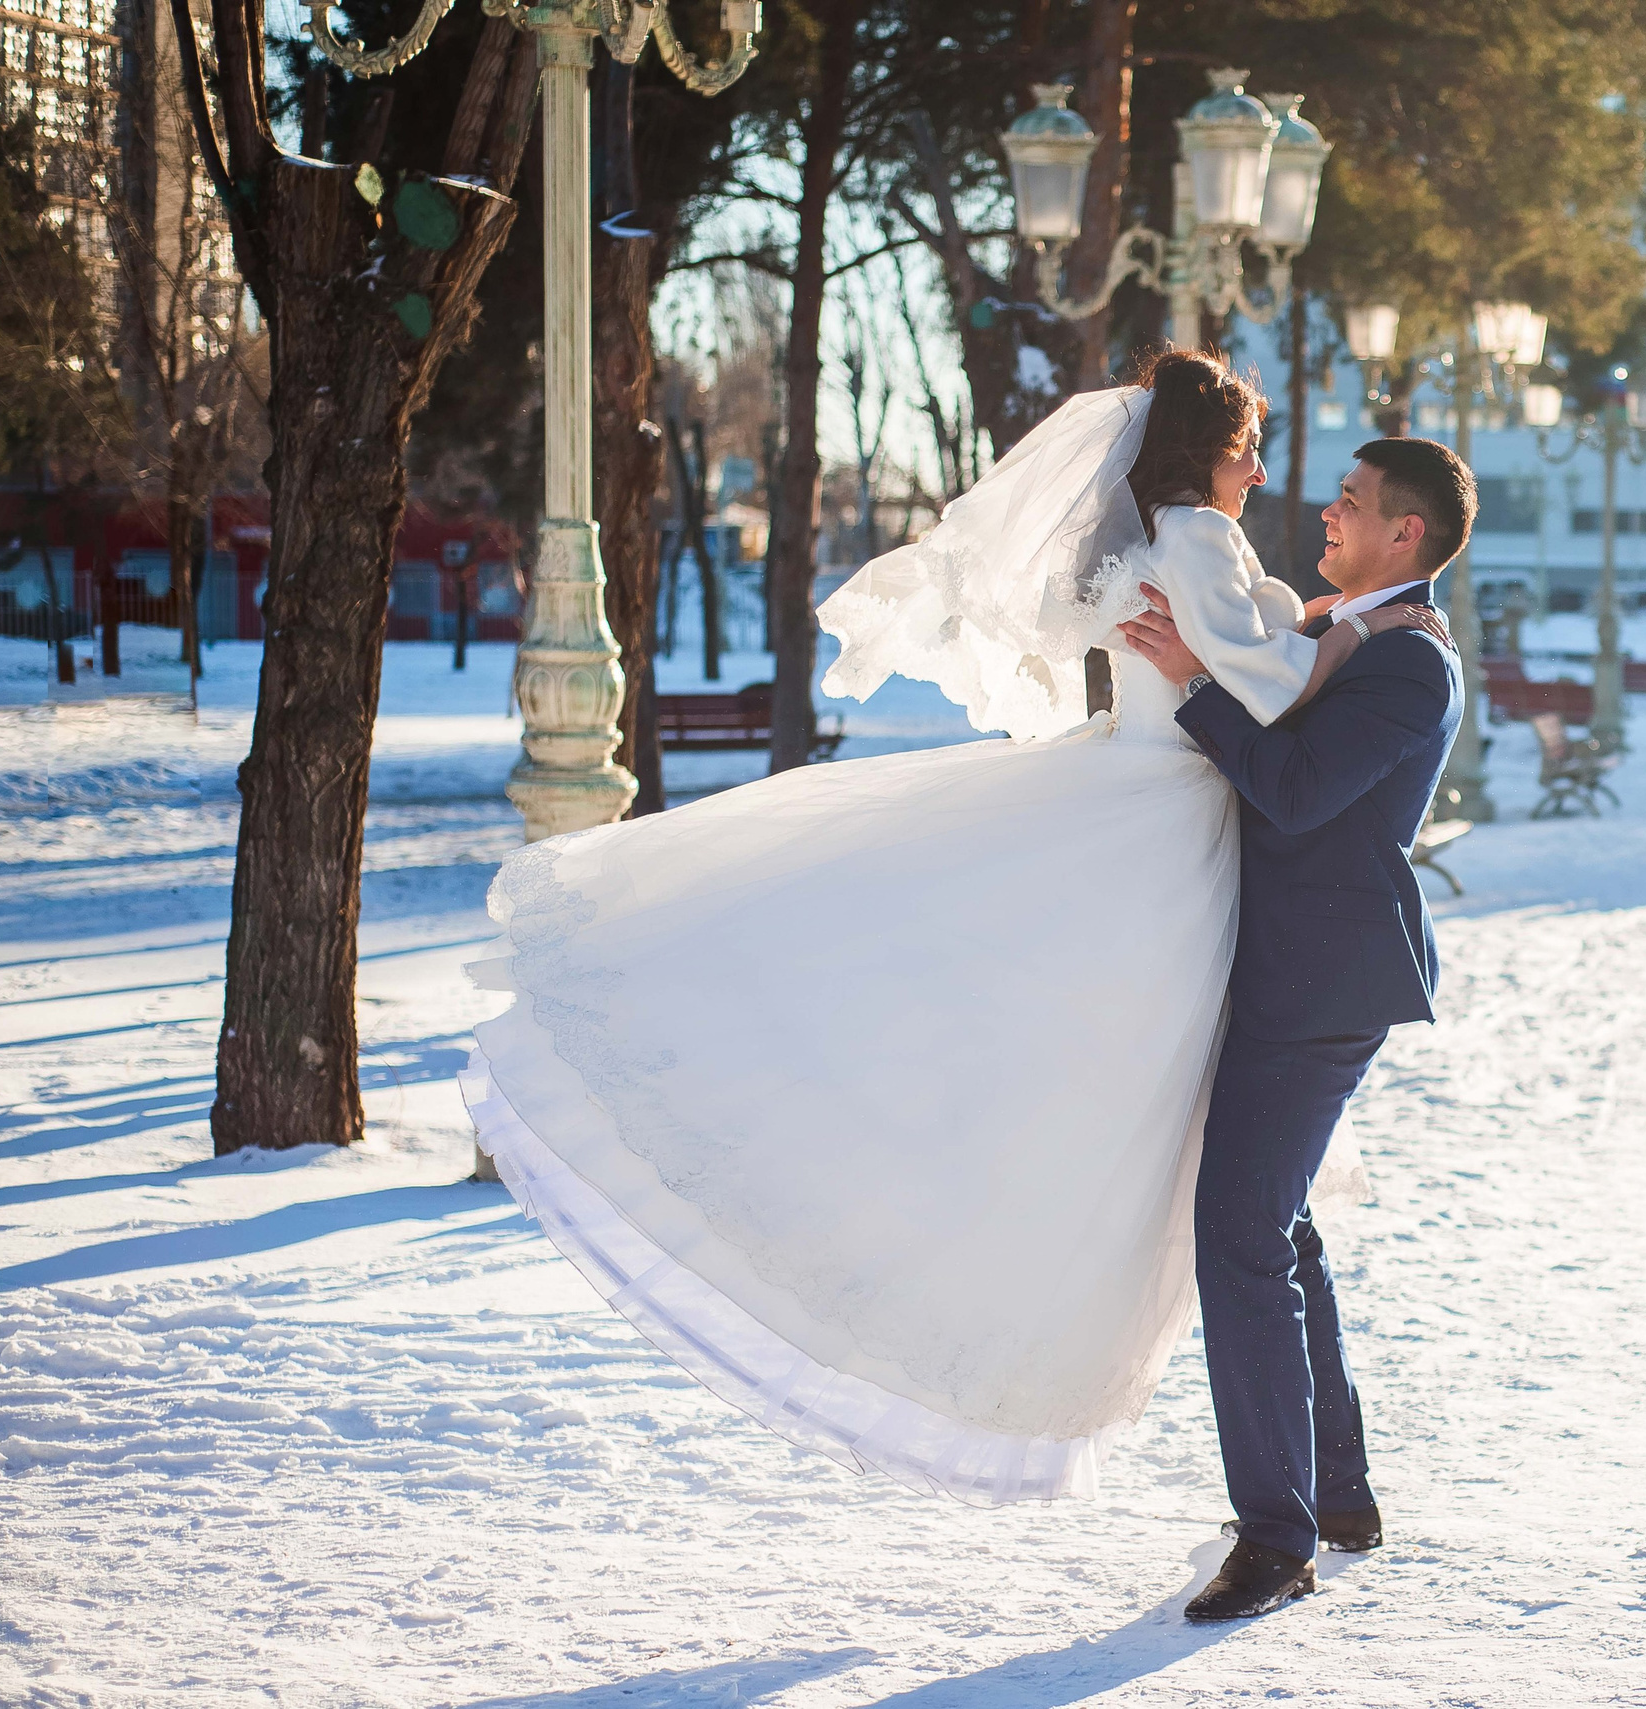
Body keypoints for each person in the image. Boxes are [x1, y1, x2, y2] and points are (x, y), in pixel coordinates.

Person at [460, 349, 1442, 1510]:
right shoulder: (1209, 544)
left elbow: (1276, 730)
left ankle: (1318, 1495)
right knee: (1236, 1201)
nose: (1274, 478)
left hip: (1208, 868)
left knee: (1236, 1200)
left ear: (1403, 532)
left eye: (1346, 498)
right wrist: (1297, 646)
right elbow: (1270, 692)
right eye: (1248, 448)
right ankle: (1312, 1500)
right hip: (1173, 833)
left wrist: (1294, 637)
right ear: (1203, 450)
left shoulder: (1234, 567)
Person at [1118, 436, 1472, 1620]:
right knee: (1279, 1222)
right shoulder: (1342, 631)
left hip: (1323, 984)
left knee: (1240, 1231)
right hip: (1279, 968)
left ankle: (1278, 1539)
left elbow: (1298, 790)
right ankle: (1336, 1492)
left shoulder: (1411, 660)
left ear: (1405, 532)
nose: (1329, 508)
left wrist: (1194, 686)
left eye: (1354, 501)